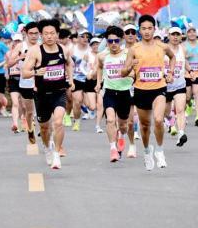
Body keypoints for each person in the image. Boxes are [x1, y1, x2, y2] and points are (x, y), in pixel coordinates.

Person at [121, 15, 176, 171]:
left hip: (159, 88)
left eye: (149, 28)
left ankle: (159, 151)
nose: (146, 31)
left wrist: (170, 72)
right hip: (140, 90)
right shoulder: (134, 49)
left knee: (158, 120)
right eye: (143, 28)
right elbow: (123, 73)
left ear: (154, 29)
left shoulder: (162, 46)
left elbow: (173, 58)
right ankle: (147, 151)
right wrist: (131, 65)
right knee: (145, 126)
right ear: (140, 30)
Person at [22, 19, 74, 170]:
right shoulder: (35, 51)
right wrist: (36, 72)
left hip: (59, 92)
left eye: (52, 33)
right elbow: (25, 72)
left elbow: (69, 63)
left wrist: (70, 79)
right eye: (46, 34)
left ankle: (57, 154)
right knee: (44, 128)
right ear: (41, 35)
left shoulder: (63, 49)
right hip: (41, 94)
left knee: (58, 122)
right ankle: (47, 148)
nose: (49, 36)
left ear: (57, 34)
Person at [94, 26, 134, 162]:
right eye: (110, 41)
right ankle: (112, 149)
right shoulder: (102, 56)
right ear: (107, 42)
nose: (113, 44)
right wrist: (99, 83)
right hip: (109, 92)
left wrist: (132, 75)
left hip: (125, 92)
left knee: (123, 125)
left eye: (116, 41)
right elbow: (99, 68)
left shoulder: (127, 53)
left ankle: (121, 136)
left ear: (121, 40)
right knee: (110, 120)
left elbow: (134, 68)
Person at [165, 26, 190, 146]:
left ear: (181, 37)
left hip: (180, 84)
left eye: (177, 35)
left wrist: (190, 71)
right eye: (173, 34)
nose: (175, 37)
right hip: (165, 85)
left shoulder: (182, 49)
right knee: (166, 112)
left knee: (180, 110)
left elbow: (185, 62)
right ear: (168, 36)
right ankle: (170, 122)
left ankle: (181, 133)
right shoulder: (163, 50)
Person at [16, 23, 40, 144]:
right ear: (26, 33)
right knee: (29, 111)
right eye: (31, 33)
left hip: (41, 83)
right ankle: (30, 129)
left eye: (36, 33)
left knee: (44, 109)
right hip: (25, 82)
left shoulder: (43, 46)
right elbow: (9, 63)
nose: (34, 36)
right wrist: (20, 58)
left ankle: (44, 127)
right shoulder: (21, 46)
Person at [71, 30, 95, 131]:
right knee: (77, 101)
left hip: (89, 79)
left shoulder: (91, 49)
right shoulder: (72, 50)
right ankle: (77, 121)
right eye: (83, 36)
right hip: (76, 78)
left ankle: (88, 110)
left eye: (87, 36)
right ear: (78, 38)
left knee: (91, 106)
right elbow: (67, 64)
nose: (85, 38)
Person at [184, 25, 198, 127]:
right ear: (187, 34)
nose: (192, 34)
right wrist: (188, 56)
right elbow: (182, 58)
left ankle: (197, 116)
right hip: (187, 73)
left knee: (197, 93)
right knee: (187, 97)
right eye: (189, 32)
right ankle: (188, 105)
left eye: (193, 32)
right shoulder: (183, 45)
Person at [5, 33, 24, 134]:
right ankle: (15, 123)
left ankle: (21, 120)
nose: (17, 43)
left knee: (23, 104)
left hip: (24, 79)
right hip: (13, 78)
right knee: (15, 103)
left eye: (19, 41)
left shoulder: (26, 52)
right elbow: (7, 65)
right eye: (15, 41)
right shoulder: (9, 53)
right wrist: (7, 75)